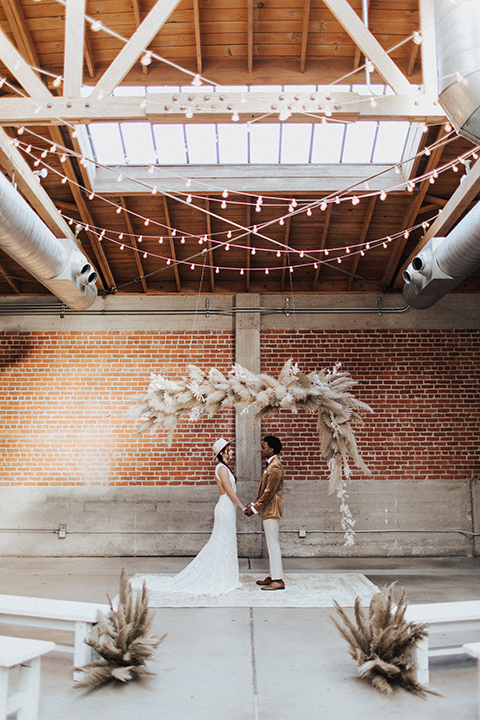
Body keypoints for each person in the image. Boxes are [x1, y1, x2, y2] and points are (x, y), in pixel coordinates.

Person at [131, 438, 246, 597]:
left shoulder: (224, 468)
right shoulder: (221, 469)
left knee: (226, 541)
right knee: (221, 541)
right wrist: (242, 507)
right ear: (222, 452)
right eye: (229, 449)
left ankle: (226, 577)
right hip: (225, 506)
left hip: (228, 507)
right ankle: (219, 578)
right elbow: (229, 491)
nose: (232, 452)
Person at [244, 435, 285, 591]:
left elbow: (269, 492)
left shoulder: (275, 466)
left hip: (272, 511)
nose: (261, 450)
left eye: (263, 447)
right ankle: (272, 575)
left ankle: (278, 580)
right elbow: (264, 491)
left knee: (273, 544)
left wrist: (254, 509)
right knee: (270, 544)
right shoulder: (271, 465)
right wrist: (253, 503)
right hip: (268, 510)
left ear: (271, 449)